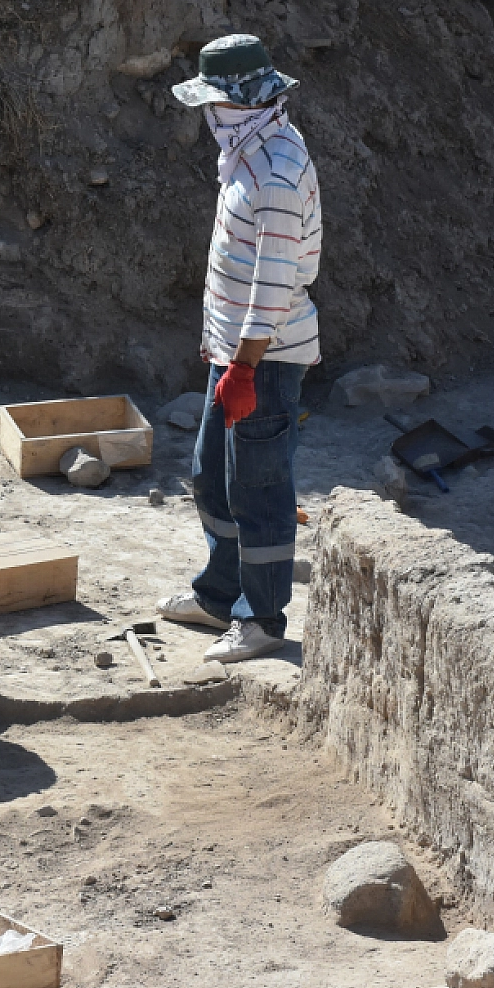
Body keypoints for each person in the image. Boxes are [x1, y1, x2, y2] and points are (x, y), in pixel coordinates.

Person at [154, 34, 323, 664]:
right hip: (237, 354)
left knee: (260, 490)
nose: (207, 115)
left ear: (239, 103)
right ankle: (218, 598)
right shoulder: (251, 152)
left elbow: (274, 281)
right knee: (212, 480)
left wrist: (246, 366)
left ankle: (261, 621)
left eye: (214, 102)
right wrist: (222, 349)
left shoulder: (273, 172)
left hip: (265, 361)